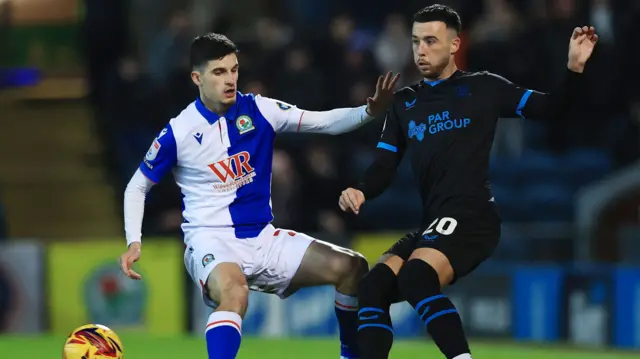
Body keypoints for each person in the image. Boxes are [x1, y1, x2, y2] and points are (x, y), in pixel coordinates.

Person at [338, 5, 598, 359]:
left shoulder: (483, 87)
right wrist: (361, 189)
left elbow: (552, 108)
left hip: (473, 217)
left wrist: (574, 69)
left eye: (431, 41)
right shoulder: (403, 103)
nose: (421, 50)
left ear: (455, 44)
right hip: (434, 221)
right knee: (372, 287)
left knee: (416, 277)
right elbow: (385, 164)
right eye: (415, 41)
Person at [118, 33, 399, 359]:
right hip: (210, 241)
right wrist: (133, 239)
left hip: (263, 238)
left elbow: (322, 123)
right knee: (235, 293)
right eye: (219, 72)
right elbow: (137, 185)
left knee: (352, 267)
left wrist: (368, 112)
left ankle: (350, 355)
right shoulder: (178, 132)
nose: (230, 80)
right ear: (197, 78)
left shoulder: (260, 109)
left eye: (234, 70)